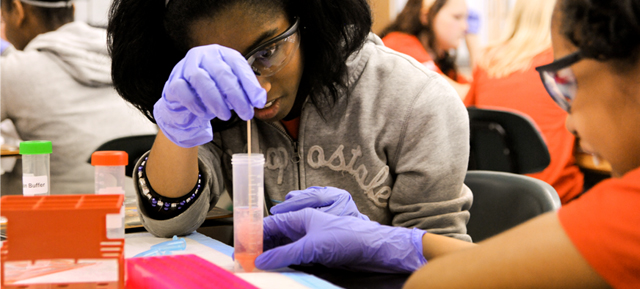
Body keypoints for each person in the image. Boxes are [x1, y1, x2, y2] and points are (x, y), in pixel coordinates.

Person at [254, 0, 640, 286]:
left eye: (567, 81)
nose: (569, 120)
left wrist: (381, 242)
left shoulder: (627, 212)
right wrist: (389, 240)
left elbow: (435, 283)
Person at [107, 0, 472, 240]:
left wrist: (374, 245)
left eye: (267, 51)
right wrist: (177, 129)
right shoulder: (215, 103)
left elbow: (446, 260)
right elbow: (171, 221)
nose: (257, 87)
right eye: (228, 69)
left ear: (308, 20)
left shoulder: (415, 100)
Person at [0, 0, 157, 195]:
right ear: (73, 9)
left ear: (17, 10)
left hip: (69, 212)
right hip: (143, 207)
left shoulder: (14, 69)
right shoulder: (122, 56)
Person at [464, 0, 584, 204]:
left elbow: (467, 118)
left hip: (494, 194)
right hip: (552, 195)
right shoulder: (565, 65)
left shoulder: (487, 61)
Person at [380, 0, 479, 98]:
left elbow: (477, 93)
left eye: (466, 18)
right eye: (457, 17)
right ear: (426, 16)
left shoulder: (441, 59)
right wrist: (473, 43)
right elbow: (456, 96)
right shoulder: (399, 44)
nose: (465, 27)